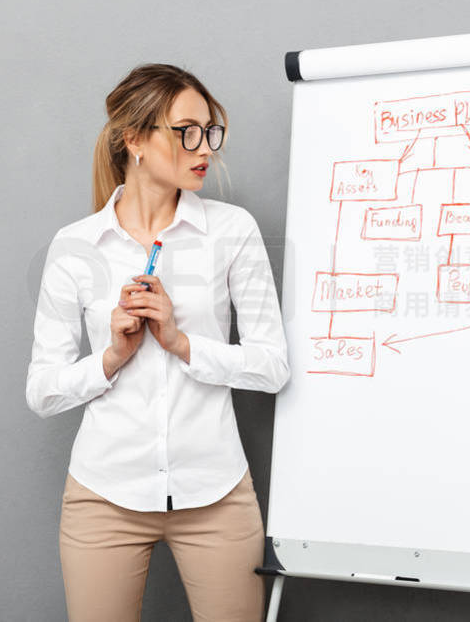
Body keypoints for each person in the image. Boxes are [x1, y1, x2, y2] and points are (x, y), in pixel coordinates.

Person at [25, 63, 291, 621]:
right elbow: (43, 392)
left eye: (210, 131)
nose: (205, 148)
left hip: (215, 493)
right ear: (135, 140)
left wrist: (180, 341)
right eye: (186, 131)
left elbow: (272, 367)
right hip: (103, 495)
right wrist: (112, 358)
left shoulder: (232, 231)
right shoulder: (75, 246)